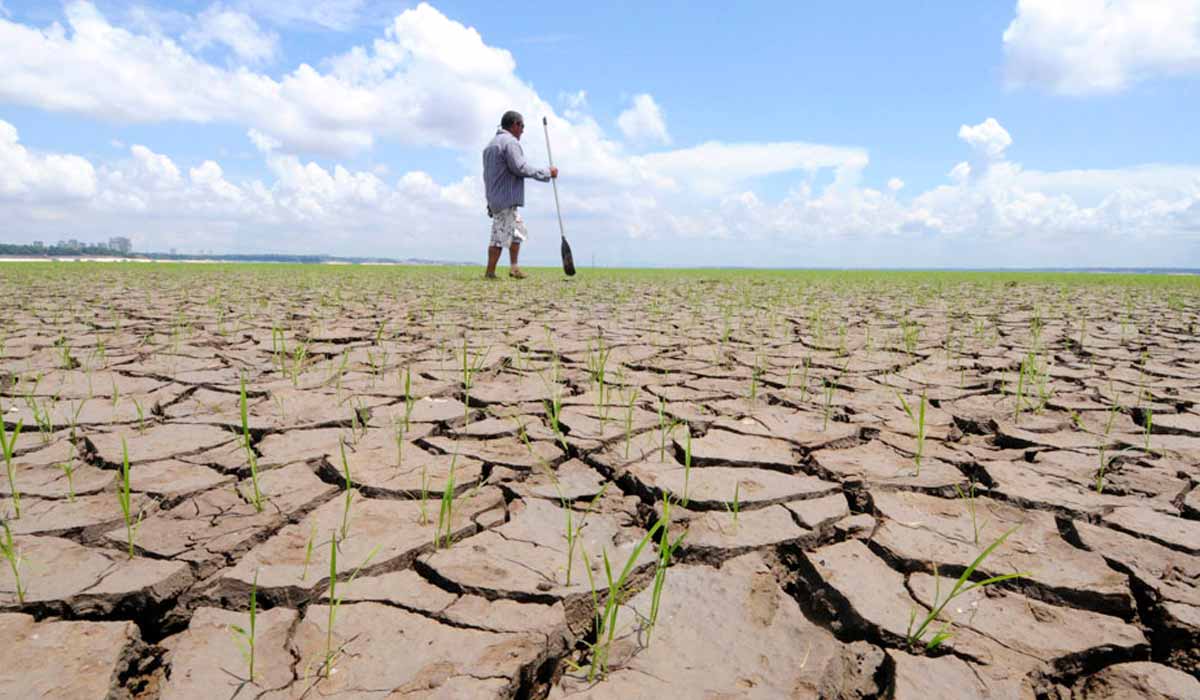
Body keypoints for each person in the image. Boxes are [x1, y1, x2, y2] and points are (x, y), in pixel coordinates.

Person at [482, 110, 558, 279]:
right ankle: (490, 272)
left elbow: (487, 176)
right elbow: (520, 167)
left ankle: (514, 267)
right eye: (522, 126)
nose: (523, 130)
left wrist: (489, 200)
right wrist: (546, 173)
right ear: (515, 124)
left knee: (518, 232)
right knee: (499, 236)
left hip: (496, 197)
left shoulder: (490, 145)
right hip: (505, 198)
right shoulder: (510, 142)